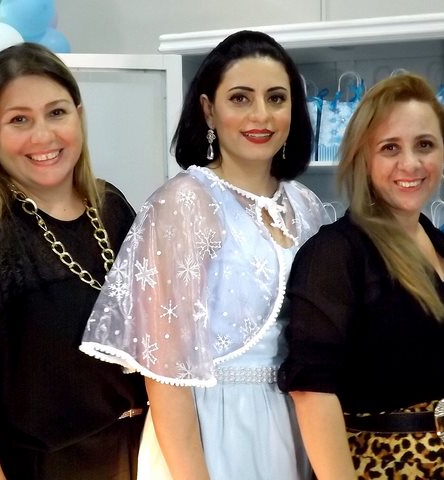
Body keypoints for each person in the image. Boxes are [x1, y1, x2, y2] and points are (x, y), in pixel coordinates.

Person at [80, 30, 328, 480]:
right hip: (211, 429)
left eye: (276, 98)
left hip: (297, 424)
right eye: (240, 98)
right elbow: (165, 377)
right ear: (209, 109)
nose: (261, 114)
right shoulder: (184, 202)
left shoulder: (306, 206)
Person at [0, 43, 147, 480]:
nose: (43, 136)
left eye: (56, 112)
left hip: (131, 459)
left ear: (78, 115)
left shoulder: (111, 208)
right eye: (19, 119)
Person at [278, 73, 444, 479]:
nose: (410, 164)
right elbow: (311, 392)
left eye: (425, 145)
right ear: (364, 156)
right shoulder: (337, 253)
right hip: (383, 466)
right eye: (390, 147)